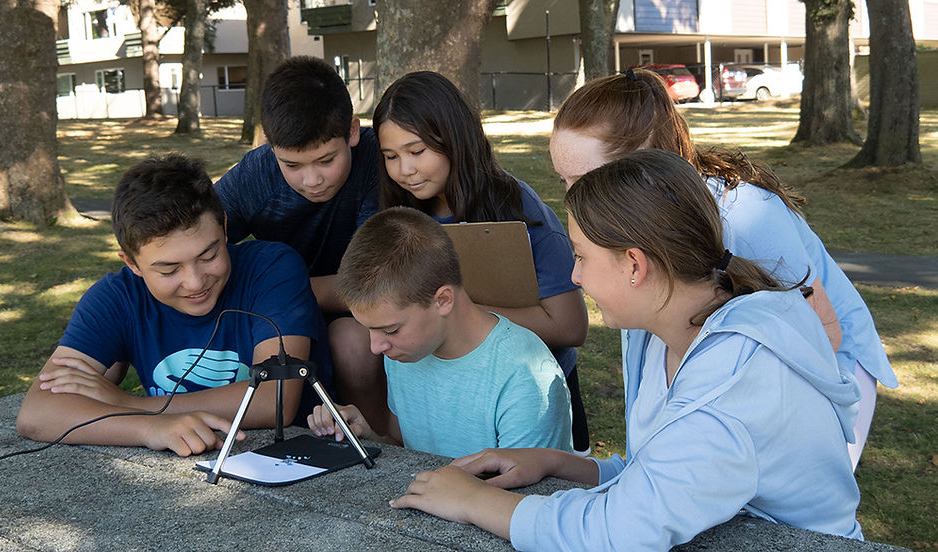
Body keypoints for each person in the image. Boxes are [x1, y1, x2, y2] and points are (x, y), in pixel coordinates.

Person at [389, 150, 864, 550]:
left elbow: (620, 531)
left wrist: (474, 502)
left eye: (580, 257)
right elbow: (662, 473)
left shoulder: (731, 380)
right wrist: (558, 464)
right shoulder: (683, 327)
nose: (574, 277)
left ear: (635, 265)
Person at [548, 69, 897, 468]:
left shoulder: (744, 216)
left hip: (832, 371)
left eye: (584, 181)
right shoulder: (635, 229)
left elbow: (818, 332)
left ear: (643, 161)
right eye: (563, 181)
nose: (571, 200)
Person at [17, 154, 333, 457]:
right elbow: (38, 412)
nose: (195, 282)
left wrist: (130, 404)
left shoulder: (271, 269)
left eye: (209, 255)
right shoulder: (116, 298)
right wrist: (146, 428)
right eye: (169, 270)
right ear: (132, 263)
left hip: (292, 455)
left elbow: (274, 398)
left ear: (224, 227)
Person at [372, 71, 590, 453]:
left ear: (454, 139)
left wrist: (465, 313)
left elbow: (570, 325)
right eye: (391, 156)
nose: (404, 169)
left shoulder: (518, 208)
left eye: (417, 151)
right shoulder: (401, 215)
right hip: (443, 398)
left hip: (526, 397)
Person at [307, 206, 573, 458]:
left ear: (443, 300)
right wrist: (367, 436)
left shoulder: (523, 376)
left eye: (390, 330)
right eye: (370, 330)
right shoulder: (406, 352)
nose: (376, 347)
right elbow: (407, 451)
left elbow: (529, 501)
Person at [213, 56, 387, 430]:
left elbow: (378, 285)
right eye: (292, 165)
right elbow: (193, 239)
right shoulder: (256, 175)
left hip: (357, 314)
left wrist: (284, 292)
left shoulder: (379, 162)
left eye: (326, 160)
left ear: (353, 132)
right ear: (270, 146)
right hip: (281, 316)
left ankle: (378, 436)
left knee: (353, 343)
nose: (311, 180)